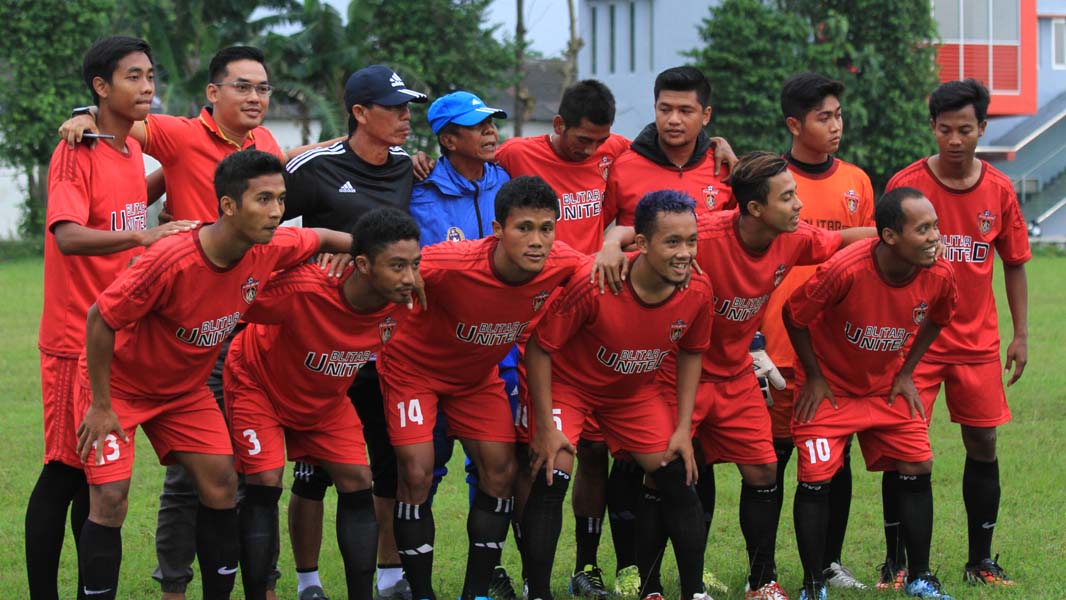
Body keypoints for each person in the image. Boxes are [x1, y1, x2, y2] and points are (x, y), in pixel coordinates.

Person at [72, 149, 353, 600]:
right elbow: (100, 319)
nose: (277, 211)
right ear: (227, 206)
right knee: (110, 499)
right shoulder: (171, 259)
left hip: (183, 391)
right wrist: (102, 406)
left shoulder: (269, 247)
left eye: (281, 199)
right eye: (264, 199)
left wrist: (364, 252)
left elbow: (319, 236)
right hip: (118, 386)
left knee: (222, 481)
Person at [602, 151, 873, 600]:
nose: (799, 206)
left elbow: (842, 239)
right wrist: (612, 244)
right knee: (663, 474)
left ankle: (761, 579)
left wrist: (896, 238)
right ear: (753, 209)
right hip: (675, 375)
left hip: (736, 377)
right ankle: (650, 588)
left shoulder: (793, 237)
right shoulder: (703, 234)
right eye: (787, 197)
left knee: (764, 470)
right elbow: (639, 233)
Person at [26, 35, 198, 600]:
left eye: (151, 75)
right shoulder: (75, 151)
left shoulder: (126, 151)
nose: (148, 85)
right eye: (133, 76)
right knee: (64, 472)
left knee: (93, 481)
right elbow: (69, 236)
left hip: (117, 339)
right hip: (75, 339)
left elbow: (132, 197)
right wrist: (144, 234)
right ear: (101, 87)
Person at [378, 176, 588, 600]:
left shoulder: (563, 263)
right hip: (412, 371)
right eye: (523, 227)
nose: (536, 240)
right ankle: (420, 592)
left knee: (501, 471)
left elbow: (610, 263)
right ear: (497, 230)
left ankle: (475, 592)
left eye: (546, 228)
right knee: (416, 473)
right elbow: (387, 262)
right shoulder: (449, 263)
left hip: (476, 378)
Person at [520, 190, 713, 600]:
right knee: (552, 469)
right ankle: (538, 592)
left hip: (632, 394)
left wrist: (682, 428)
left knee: (677, 472)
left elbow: (693, 352)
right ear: (641, 245)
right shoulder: (597, 283)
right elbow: (541, 347)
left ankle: (693, 592)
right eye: (672, 242)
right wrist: (543, 423)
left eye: (691, 241)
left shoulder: (698, 289)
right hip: (571, 388)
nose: (685, 253)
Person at [281, 64, 428, 600]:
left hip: (385, 339)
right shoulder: (312, 167)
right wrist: (318, 253)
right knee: (313, 470)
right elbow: (262, 222)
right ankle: (308, 580)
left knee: (382, 460)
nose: (406, 117)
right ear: (360, 113)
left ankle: (390, 576)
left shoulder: (410, 167)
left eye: (408, 107)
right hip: (319, 339)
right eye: (395, 108)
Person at [225, 208, 421, 600]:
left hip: (326, 400)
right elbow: (233, 294)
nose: (409, 277)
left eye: (414, 265)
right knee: (265, 482)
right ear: (362, 265)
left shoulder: (405, 294)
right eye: (398, 266)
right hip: (257, 384)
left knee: (357, 481)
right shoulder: (306, 288)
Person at [883, 78, 1030, 587]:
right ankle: (897, 563)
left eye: (965, 129)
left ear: (982, 128)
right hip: (913, 345)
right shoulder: (906, 186)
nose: (954, 140)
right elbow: (880, 259)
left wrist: (1021, 334)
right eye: (944, 129)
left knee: (983, 444)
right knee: (904, 448)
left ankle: (981, 561)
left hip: (976, 343)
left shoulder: (999, 190)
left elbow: (1014, 262)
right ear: (932, 127)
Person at [785, 187, 958, 600]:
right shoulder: (845, 269)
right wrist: (814, 376)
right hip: (831, 389)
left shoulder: (939, 274)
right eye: (923, 229)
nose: (935, 236)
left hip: (885, 388)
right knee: (815, 478)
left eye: (935, 226)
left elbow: (938, 319)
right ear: (890, 236)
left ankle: (919, 577)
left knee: (918, 464)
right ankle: (813, 585)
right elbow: (794, 314)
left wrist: (907, 372)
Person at [758, 72, 875, 591]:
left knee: (833, 463)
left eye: (838, 115)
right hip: (776, 349)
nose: (835, 126)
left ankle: (828, 562)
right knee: (770, 463)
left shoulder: (857, 182)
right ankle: (762, 572)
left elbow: (868, 265)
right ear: (794, 124)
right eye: (823, 117)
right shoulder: (768, 180)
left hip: (833, 354)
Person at [606, 66, 735, 229]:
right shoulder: (622, 168)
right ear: (655, 109)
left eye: (685, 111)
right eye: (665, 110)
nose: (673, 119)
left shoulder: (725, 170)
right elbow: (591, 233)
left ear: (706, 115)